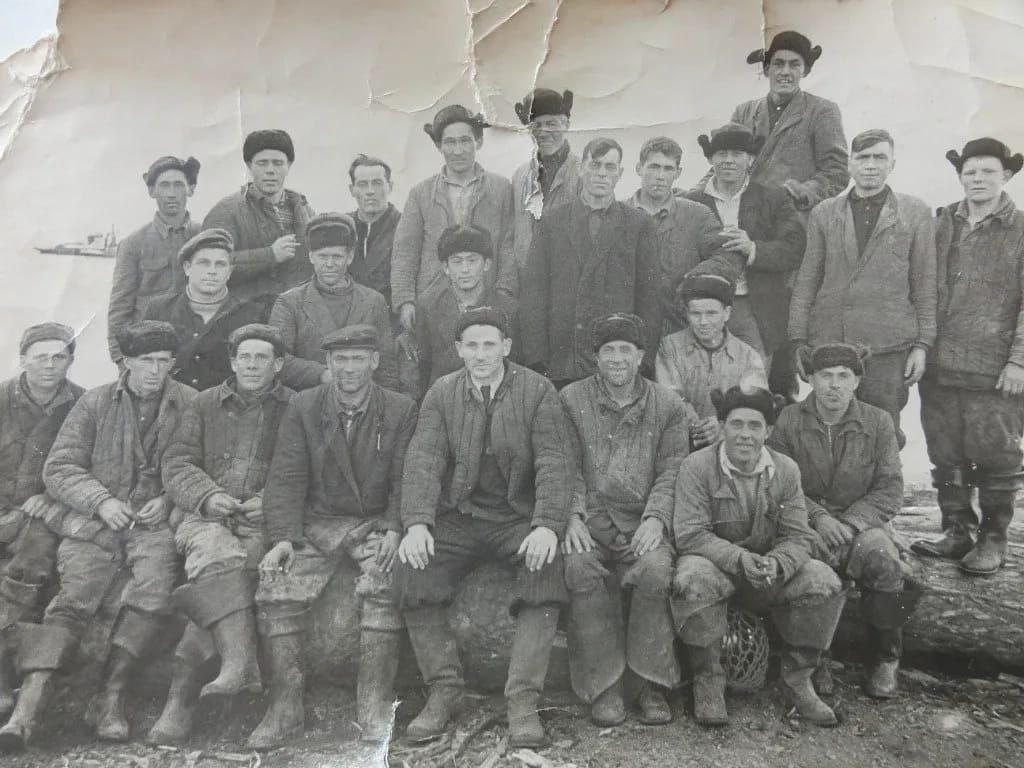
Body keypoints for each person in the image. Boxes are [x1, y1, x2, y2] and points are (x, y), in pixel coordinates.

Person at [0, 321, 196, 751]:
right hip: (94, 524)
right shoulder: (94, 403)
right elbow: (60, 467)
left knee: (153, 592)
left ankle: (110, 697)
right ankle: (26, 710)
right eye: (146, 361)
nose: (155, 371)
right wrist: (101, 501)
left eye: (163, 362)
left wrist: (167, 499)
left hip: (154, 528)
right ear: (126, 361)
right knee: (74, 598)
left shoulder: (191, 404)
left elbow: (199, 466)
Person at [393, 307, 573, 748]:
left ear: (506, 347)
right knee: (413, 566)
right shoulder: (442, 392)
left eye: (489, 344)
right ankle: (445, 689)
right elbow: (424, 460)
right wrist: (417, 524)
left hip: (515, 518)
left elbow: (554, 462)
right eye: (471, 346)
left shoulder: (537, 390)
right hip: (461, 516)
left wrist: (547, 525)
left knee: (545, 569)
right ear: (458, 350)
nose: (480, 354)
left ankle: (523, 701)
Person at [247, 325, 417, 749]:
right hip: (318, 522)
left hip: (374, 522)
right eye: (341, 359)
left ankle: (374, 704)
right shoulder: (305, 405)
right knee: (277, 587)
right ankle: (285, 706)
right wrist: (282, 538)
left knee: (385, 583)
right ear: (328, 363)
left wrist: (396, 528)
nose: (349, 369)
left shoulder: (400, 408)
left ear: (375, 362)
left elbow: (406, 479)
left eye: (359, 359)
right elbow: (286, 476)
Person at [146, 324, 294, 746]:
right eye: (244, 357)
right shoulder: (204, 403)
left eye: (262, 358)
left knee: (230, 577)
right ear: (232, 361)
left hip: (261, 521)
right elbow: (177, 463)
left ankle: (180, 702)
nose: (252, 365)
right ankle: (239, 665)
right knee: (215, 554)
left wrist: (270, 500)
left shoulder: (296, 406)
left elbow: (305, 468)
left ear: (278, 364)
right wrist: (208, 496)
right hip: (205, 517)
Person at [671, 385, 846, 728]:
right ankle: (708, 679)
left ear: (768, 431)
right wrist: (739, 559)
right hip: (720, 570)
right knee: (692, 577)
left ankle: (798, 680)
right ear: (722, 427)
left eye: (755, 425)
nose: (745, 434)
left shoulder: (786, 470)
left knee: (822, 579)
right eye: (736, 424)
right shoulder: (697, 466)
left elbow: (798, 535)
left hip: (769, 573)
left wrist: (778, 562)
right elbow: (690, 533)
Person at [560, 314, 691, 726]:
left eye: (625, 350)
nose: (617, 358)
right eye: (608, 351)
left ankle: (650, 685)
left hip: (642, 521)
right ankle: (604, 687)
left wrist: (657, 519)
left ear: (640, 356)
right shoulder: (570, 400)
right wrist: (572, 517)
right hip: (592, 520)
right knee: (579, 567)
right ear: (595, 357)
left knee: (655, 570)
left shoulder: (667, 405)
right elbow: (565, 466)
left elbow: (673, 469)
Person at [767, 344, 919, 699]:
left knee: (883, 560)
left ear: (856, 381)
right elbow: (776, 482)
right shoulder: (789, 419)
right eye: (825, 376)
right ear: (811, 379)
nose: (833, 385)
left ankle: (886, 658)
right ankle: (815, 657)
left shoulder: (878, 422)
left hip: (861, 524)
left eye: (843, 376)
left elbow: (890, 488)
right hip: (804, 522)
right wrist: (818, 518)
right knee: (809, 567)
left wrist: (851, 523)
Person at [911, 138, 1024, 576]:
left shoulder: (1020, 228)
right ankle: (957, 530)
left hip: (994, 369)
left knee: (996, 454)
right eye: (970, 172)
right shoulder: (941, 225)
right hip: (940, 364)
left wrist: (1019, 361)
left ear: (1006, 176)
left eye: (988, 171)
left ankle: (994, 539)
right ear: (960, 176)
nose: (978, 179)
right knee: (945, 451)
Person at [789, 129, 936, 448]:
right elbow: (807, 280)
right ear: (850, 164)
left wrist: (922, 345)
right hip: (832, 341)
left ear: (892, 164)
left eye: (879, 157)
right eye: (863, 157)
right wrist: (798, 340)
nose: (871, 165)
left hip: (888, 346)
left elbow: (925, 284)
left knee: (883, 431)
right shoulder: (825, 213)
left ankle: (885, 482)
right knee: (830, 427)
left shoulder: (915, 212)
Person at [724, 30, 850, 401]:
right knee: (742, 318)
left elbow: (836, 171)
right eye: (778, 63)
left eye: (794, 64)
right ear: (766, 69)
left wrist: (806, 191)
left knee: (780, 325)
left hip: (790, 233)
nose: (785, 71)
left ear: (805, 70)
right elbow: (726, 160)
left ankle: (782, 404)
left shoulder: (821, 111)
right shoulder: (744, 112)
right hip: (748, 231)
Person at [521, 137, 660, 388]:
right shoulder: (552, 221)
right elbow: (534, 293)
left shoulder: (639, 225)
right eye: (595, 165)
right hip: (563, 358)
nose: (602, 174)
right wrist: (537, 360)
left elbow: (649, 299)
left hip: (617, 360)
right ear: (581, 168)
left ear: (620, 174)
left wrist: (644, 361)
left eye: (610, 167)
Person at [0, 324, 84, 718]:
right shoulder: (2, 400)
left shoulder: (84, 404)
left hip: (43, 513)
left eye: (59, 357)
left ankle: (5, 675)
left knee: (32, 559)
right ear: (23, 360)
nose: (50, 365)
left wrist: (49, 496)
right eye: (40, 357)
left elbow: (88, 466)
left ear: (70, 360)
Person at [391, 105, 518, 351]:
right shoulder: (421, 193)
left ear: (478, 142)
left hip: (486, 297)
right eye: (450, 142)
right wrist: (405, 300)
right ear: (439, 146)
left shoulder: (500, 188)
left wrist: (504, 292)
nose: (458, 150)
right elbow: (405, 252)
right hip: (434, 303)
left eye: (465, 141)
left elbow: (508, 245)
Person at [686, 123, 806, 364]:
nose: (729, 160)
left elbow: (795, 248)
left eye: (737, 154)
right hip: (704, 309)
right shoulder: (692, 202)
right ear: (710, 159)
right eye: (722, 153)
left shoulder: (773, 197)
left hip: (754, 307)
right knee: (705, 375)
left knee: (754, 378)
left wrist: (753, 249)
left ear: (750, 159)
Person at [269, 212, 397, 391]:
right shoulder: (289, 302)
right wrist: (322, 374)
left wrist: (384, 403)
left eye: (337, 257)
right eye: (322, 256)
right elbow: (276, 358)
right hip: (308, 400)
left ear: (349, 257)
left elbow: (386, 365)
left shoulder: (374, 301)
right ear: (311, 257)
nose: (329, 264)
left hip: (363, 399)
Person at [629, 136, 742, 333]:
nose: (660, 176)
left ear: (678, 173)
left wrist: (695, 279)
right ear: (639, 168)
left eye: (668, 169)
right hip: (632, 330)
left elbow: (729, 256)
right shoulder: (618, 215)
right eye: (654, 167)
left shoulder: (698, 215)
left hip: (681, 328)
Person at [203, 129, 315, 310]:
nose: (270, 170)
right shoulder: (225, 211)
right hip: (244, 314)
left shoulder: (305, 211)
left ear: (289, 165)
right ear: (249, 165)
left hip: (297, 312)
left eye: (278, 163)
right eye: (262, 163)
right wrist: (270, 255)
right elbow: (208, 266)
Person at [143, 228, 266, 391]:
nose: (212, 271)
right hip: (171, 402)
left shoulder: (252, 314)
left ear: (229, 272)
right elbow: (143, 364)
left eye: (220, 264)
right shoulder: (160, 309)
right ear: (187, 268)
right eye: (204, 263)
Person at [108, 155, 201, 364]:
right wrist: (121, 361)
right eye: (164, 185)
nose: (171, 194)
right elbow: (119, 310)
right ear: (152, 191)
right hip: (149, 353)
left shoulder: (204, 237)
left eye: (178, 185)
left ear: (191, 189)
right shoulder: (133, 244)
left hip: (195, 351)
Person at [656, 274, 767, 449]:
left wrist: (722, 424)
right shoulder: (670, 347)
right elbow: (669, 398)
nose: (703, 322)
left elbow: (756, 408)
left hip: (730, 446)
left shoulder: (748, 356)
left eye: (711, 313)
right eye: (696, 314)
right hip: (681, 443)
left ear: (727, 313)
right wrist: (695, 425)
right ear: (687, 313)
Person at [415, 224, 518, 394]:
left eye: (472, 260)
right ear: (446, 267)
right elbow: (423, 367)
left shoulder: (508, 308)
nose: (464, 269)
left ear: (486, 264)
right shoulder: (428, 307)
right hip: (445, 397)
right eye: (457, 261)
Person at [511, 88, 582, 272]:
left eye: (551, 124)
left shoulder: (584, 174)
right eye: (535, 126)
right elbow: (512, 238)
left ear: (566, 124)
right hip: (526, 279)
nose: (543, 133)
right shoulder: (520, 176)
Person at [347, 155, 401, 310]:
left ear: (390, 186)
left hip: (391, 315)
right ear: (352, 190)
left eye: (377, 183)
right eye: (362, 184)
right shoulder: (342, 227)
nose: (370, 191)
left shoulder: (406, 226)